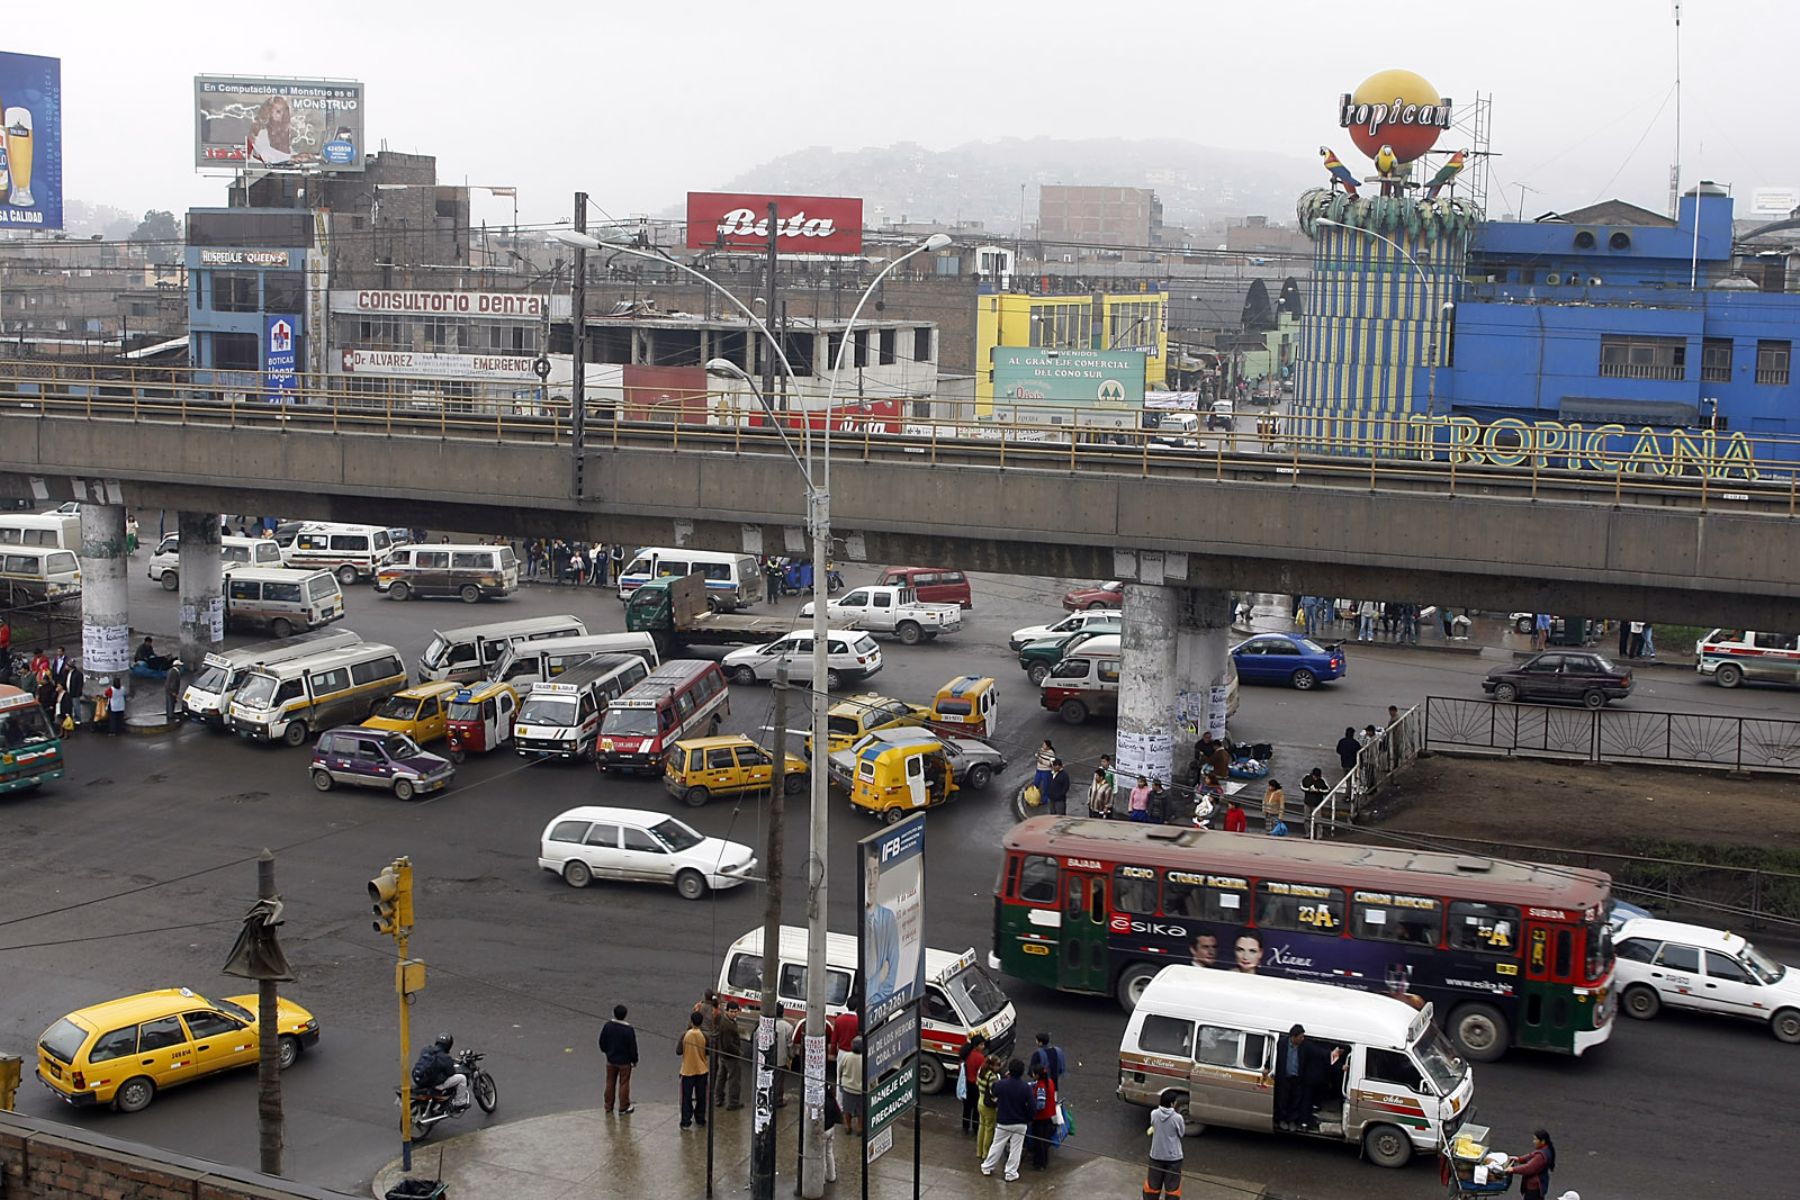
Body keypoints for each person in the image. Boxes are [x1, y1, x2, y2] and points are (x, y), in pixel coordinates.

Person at [1268, 1024, 1339, 1131]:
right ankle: (1281, 1120)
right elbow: (1271, 1054)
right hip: (1284, 1077)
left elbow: (1317, 1051)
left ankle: (1291, 1121)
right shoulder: (1281, 1043)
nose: (1303, 1038)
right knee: (1282, 1099)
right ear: (1293, 1037)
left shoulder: (1305, 1045)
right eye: (1301, 1036)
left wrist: (1330, 1054)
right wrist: (1266, 1067)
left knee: (1295, 1100)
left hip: (1297, 1078)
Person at [980, 1060, 1031, 1182]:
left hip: (1003, 1121)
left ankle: (987, 1166)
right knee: (1016, 1148)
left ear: (1009, 1071)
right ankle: (1010, 1173)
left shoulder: (1001, 1085)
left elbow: (993, 1090)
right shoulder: (1026, 1088)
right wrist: (1028, 1118)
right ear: (1022, 1072)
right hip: (1020, 1123)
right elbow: (1032, 1106)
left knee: (997, 1145)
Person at [1143, 1088, 1186, 1200]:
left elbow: (1154, 1126)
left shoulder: (1154, 1114)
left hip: (1156, 1155)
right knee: (1172, 1190)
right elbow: (1181, 1133)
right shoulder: (1178, 1118)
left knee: (1152, 1187)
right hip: (1174, 1158)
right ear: (1172, 1103)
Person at [597, 1004, 639, 1114]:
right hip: (625, 1062)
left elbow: (602, 1042)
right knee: (624, 1083)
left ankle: (608, 1106)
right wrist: (634, 1060)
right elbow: (632, 1046)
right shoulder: (628, 1029)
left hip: (611, 1060)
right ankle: (623, 1106)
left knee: (610, 1082)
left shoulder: (608, 1026)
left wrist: (607, 1052)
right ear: (625, 1015)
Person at [412, 1033, 470, 1113]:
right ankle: (459, 1103)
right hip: (433, 1084)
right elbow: (450, 1073)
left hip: (419, 1079)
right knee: (462, 1078)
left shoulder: (426, 1049)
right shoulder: (445, 1057)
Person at [678, 1011, 709, 1129]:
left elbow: (678, 1051)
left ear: (691, 1021)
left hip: (687, 1070)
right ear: (701, 1023)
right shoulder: (705, 1036)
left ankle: (686, 1120)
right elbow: (708, 1051)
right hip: (702, 1070)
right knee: (701, 1096)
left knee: (686, 1097)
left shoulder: (684, 1035)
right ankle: (700, 1119)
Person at [1506, 1129, 1557, 1199]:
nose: (1534, 1142)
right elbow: (1531, 1155)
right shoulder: (1545, 1150)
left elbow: (1529, 1168)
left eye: (1536, 1140)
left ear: (1542, 1141)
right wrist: (1518, 1159)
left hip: (1534, 1188)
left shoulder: (1541, 1156)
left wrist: (1512, 1169)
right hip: (1538, 1185)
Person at [1026, 1060, 1058, 1170]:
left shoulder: (1041, 1087)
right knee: (1045, 1141)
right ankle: (1044, 1162)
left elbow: (1040, 1104)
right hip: (1048, 1117)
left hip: (1040, 1118)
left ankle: (1039, 1163)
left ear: (1037, 1075)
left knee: (1038, 1142)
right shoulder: (1049, 1082)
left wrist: (1030, 1106)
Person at [974, 1051, 1002, 1160]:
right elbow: (993, 1092)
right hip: (988, 1105)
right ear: (991, 1065)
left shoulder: (981, 1071)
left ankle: (979, 1151)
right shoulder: (992, 1077)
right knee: (989, 1129)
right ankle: (986, 1153)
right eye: (997, 1065)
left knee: (982, 1126)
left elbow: (977, 1084)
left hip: (980, 1101)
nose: (999, 1067)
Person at [716, 1002, 744, 1109]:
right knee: (734, 1079)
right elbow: (728, 1044)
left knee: (721, 1077)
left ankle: (718, 1098)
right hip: (730, 1055)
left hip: (723, 1054)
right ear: (727, 1011)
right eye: (731, 1012)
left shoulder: (725, 1020)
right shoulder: (728, 1025)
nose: (733, 1014)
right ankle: (733, 1102)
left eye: (735, 1012)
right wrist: (738, 1052)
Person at [959, 1033, 987, 1135]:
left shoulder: (967, 1054)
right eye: (982, 1045)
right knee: (976, 1109)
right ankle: (975, 1128)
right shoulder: (980, 1058)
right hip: (976, 1085)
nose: (983, 1047)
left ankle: (965, 1126)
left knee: (966, 1107)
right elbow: (982, 1073)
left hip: (966, 1084)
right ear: (976, 1045)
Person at [837, 1035, 865, 1136]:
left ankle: (848, 1126)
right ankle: (859, 1128)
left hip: (848, 1088)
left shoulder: (846, 1056)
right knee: (860, 1111)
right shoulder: (865, 1059)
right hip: (861, 1090)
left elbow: (840, 1070)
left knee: (847, 1109)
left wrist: (840, 1081)